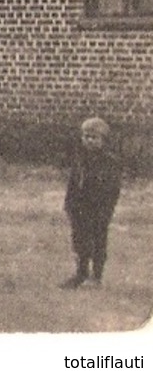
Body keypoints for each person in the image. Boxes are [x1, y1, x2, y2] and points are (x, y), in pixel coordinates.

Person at [61, 116, 123, 288]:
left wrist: (107, 209)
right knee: (80, 240)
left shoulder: (110, 162)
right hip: (80, 207)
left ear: (103, 140)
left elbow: (113, 189)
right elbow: (73, 183)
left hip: (99, 208)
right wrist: (69, 204)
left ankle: (96, 276)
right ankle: (80, 273)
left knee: (98, 240)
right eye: (86, 136)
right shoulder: (80, 160)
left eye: (94, 137)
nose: (89, 141)